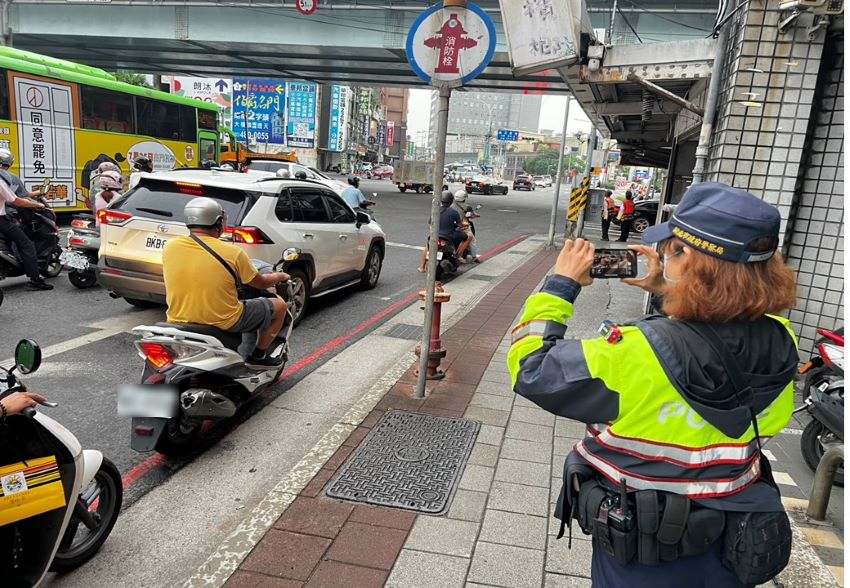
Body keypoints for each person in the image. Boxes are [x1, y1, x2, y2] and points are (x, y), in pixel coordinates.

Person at [508, 183, 798, 588]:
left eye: (672, 249)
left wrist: (560, 286)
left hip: (645, 545)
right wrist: (668, 292)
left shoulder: (635, 352)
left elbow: (532, 369)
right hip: (735, 538)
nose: (663, 256)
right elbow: (715, 338)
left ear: (690, 259)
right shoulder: (782, 340)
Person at [162, 197, 290, 368]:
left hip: (177, 319)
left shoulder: (170, 247)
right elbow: (260, 283)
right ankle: (258, 356)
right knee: (280, 306)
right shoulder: (232, 252)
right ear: (218, 222)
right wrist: (280, 276)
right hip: (224, 320)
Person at [0, 171, 52, 290]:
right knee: (27, 244)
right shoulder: (2, 181)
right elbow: (16, 200)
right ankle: (35, 280)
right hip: (2, 221)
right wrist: (37, 205)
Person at [417, 191, 473, 272]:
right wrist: (465, 225)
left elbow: (430, 225)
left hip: (436, 236)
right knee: (469, 237)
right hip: (449, 236)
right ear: (451, 201)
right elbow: (460, 225)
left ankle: (422, 267)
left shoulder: (435, 210)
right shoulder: (454, 212)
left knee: (428, 247)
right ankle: (458, 255)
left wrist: (433, 234)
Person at [452, 189, 480, 262]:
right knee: (472, 240)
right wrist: (476, 215)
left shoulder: (451, 206)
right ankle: (474, 257)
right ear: (463, 198)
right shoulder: (467, 207)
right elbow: (469, 216)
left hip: (452, 226)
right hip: (462, 226)